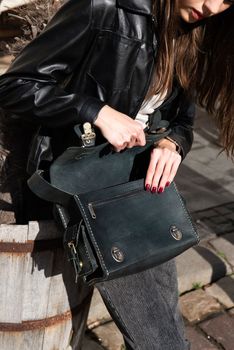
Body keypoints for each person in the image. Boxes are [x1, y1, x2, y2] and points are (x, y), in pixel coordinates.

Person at [0, 0, 233, 349]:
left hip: (140, 181)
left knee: (163, 311)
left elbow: (182, 119)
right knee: (158, 336)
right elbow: (15, 85)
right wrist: (97, 111)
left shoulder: (192, 31)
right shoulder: (104, 8)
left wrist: (174, 143)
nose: (212, 6)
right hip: (84, 177)